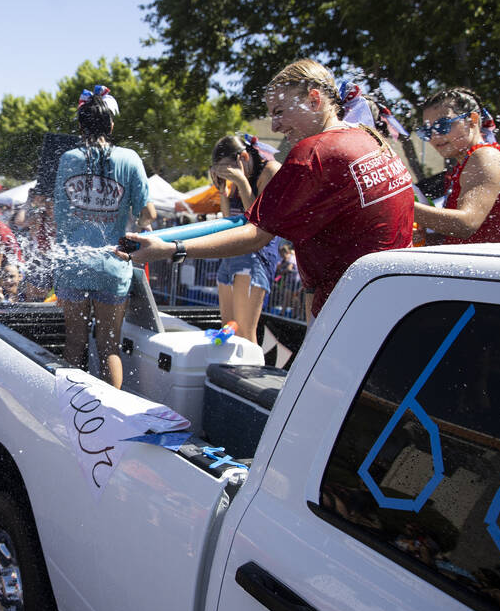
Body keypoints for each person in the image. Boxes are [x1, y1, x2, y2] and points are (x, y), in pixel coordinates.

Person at [121, 58, 415, 321]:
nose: (274, 127)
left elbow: (256, 234)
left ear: (314, 100)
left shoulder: (313, 152)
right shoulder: (370, 138)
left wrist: (171, 249)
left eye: (279, 112)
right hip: (394, 299)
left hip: (346, 306)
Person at [53, 85, 154, 389]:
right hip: (113, 264)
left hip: (72, 265)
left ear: (81, 126)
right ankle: (111, 418)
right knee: (109, 347)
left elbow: (59, 215)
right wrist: (128, 223)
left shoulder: (68, 159)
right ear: (111, 124)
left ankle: (71, 410)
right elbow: (148, 212)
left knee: (74, 342)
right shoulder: (130, 159)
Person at [412, 87, 500, 244]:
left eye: (442, 126)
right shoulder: (467, 163)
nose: (434, 136)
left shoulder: (485, 156)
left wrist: (402, 204)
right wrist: (424, 240)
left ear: (473, 120)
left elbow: (466, 224)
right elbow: (459, 240)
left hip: (484, 267)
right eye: (427, 131)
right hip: (475, 265)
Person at [209, 134, 282, 344]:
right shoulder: (237, 180)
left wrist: (241, 182)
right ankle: (226, 373)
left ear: (243, 157)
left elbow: (258, 221)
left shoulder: (270, 170)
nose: (227, 174)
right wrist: (223, 190)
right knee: (227, 331)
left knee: (244, 335)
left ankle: (250, 374)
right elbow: (227, 219)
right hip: (231, 254)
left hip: (256, 257)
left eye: (227, 169)